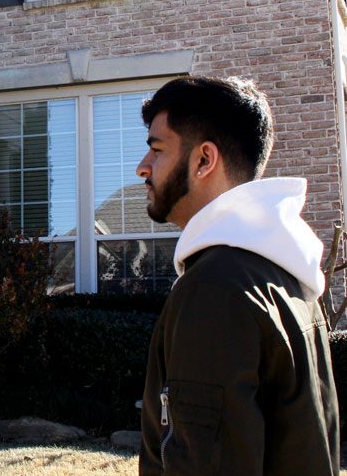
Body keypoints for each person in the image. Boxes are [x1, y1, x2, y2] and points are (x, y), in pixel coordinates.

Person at [136, 76, 339, 476]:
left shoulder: (215, 290)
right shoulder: (288, 277)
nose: (143, 168)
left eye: (157, 150)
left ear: (203, 160)